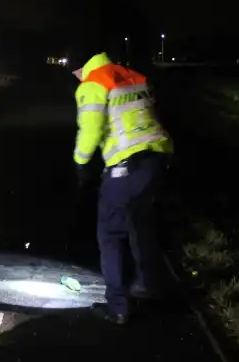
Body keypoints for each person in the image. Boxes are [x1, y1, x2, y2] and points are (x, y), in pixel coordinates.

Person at [70, 38, 173, 325]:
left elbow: (89, 130)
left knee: (110, 234)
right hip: (157, 159)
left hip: (126, 166)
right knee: (140, 222)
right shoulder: (131, 74)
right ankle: (148, 285)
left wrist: (80, 164)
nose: (76, 78)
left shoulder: (92, 83)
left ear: (80, 67)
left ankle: (117, 307)